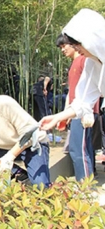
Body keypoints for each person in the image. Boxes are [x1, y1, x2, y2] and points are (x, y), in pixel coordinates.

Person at [40, 9, 105, 132]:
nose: (76, 49)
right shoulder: (91, 63)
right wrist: (56, 117)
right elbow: (82, 100)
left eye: (77, 44)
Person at [56, 34, 97, 181]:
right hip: (75, 111)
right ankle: (89, 180)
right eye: (61, 47)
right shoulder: (74, 64)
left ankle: (84, 185)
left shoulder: (84, 61)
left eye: (64, 46)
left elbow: (91, 88)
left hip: (83, 112)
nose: (63, 50)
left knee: (77, 149)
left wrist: (89, 112)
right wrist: (66, 114)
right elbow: (71, 93)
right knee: (83, 148)